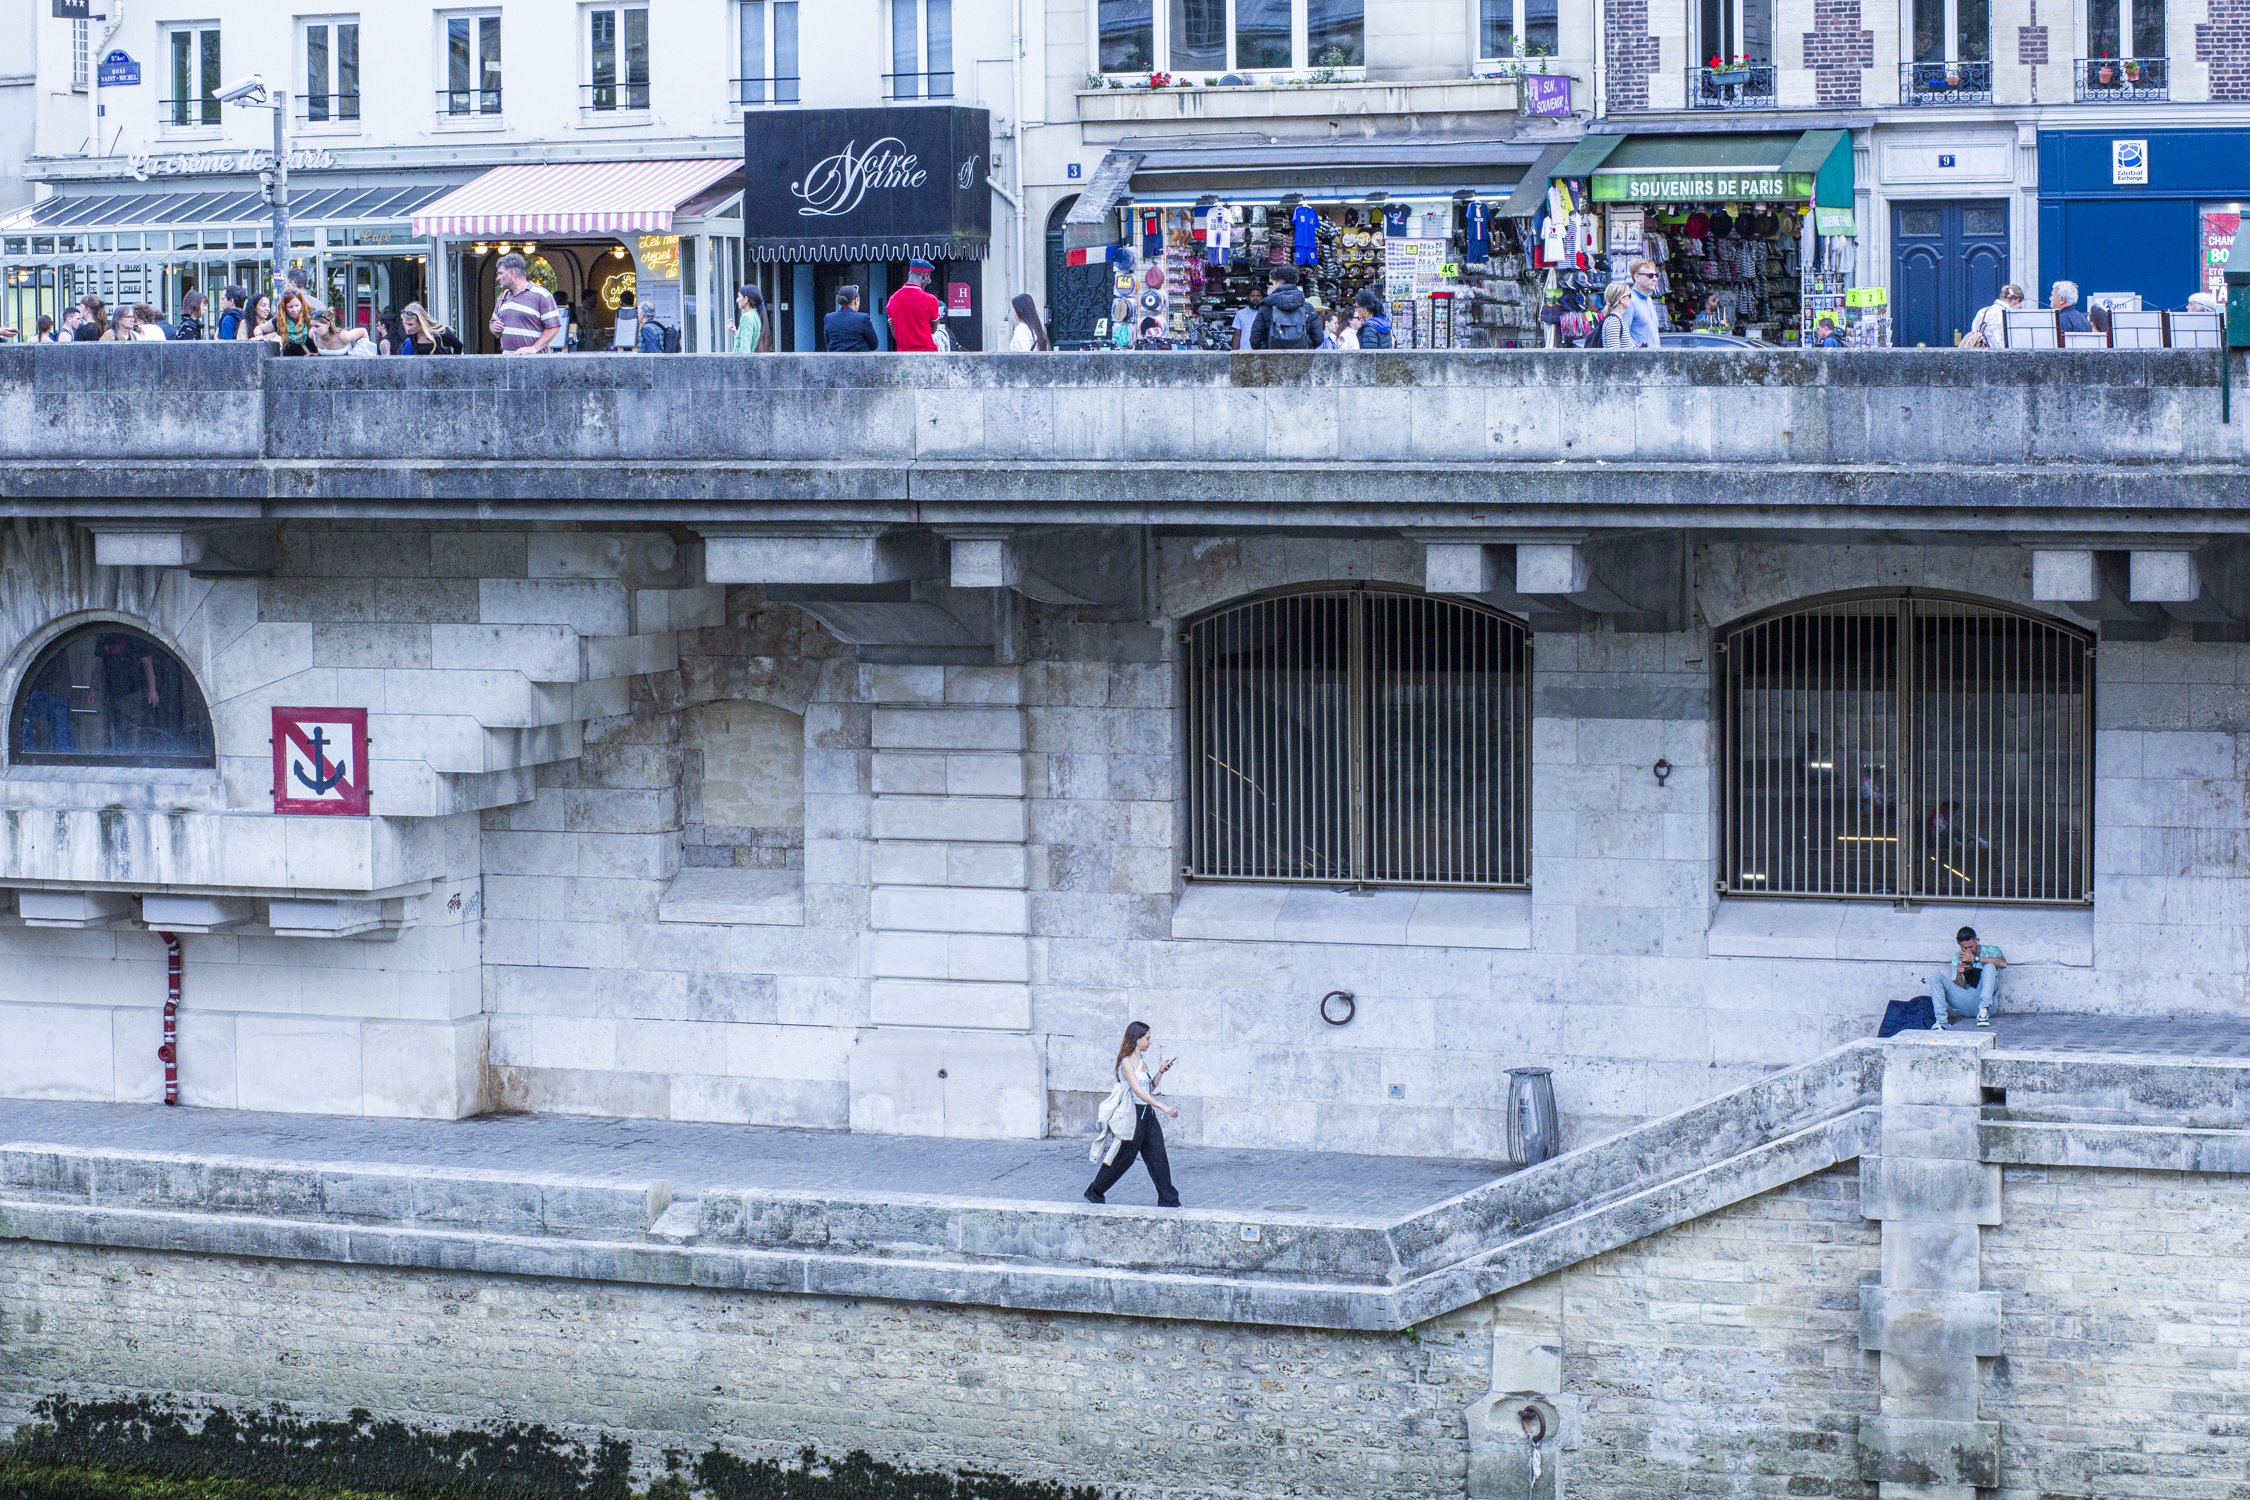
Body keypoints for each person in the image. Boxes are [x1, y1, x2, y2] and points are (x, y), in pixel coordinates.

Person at [1084, 1021, 1181, 1207]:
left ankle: (1170, 1200)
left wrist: (1161, 1072)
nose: (1150, 1042)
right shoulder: (1126, 1063)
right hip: (1134, 1117)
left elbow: (1149, 1087)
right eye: (1147, 1038)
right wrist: (1164, 1107)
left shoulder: (1142, 1062)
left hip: (1148, 1116)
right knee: (1123, 1160)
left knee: (1158, 1157)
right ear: (1137, 1039)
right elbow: (1138, 1092)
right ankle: (1094, 1191)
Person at [1929, 924, 2005, 1030]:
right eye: (1964, 948)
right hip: (1964, 1002)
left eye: (1971, 946)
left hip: (1985, 1003)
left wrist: (1975, 958)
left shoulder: (1991, 950)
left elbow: (2003, 964)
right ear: (1959, 945)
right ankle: (1942, 1022)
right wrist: (1960, 974)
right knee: (1936, 977)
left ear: (1977, 940)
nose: (1968, 950)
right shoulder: (1957, 956)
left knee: (1989, 966)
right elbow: (1959, 987)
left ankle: (1983, 1013)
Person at [490, 252, 562, 355]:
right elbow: (492, 323)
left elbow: (554, 327)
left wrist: (534, 348)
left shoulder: (542, 295)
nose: (498, 278)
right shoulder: (503, 297)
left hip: (535, 364)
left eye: (501, 273)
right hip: (508, 363)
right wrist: (494, 327)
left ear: (511, 273)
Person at [1249, 265, 1316, 350]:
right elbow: (1318, 338)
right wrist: (1304, 347)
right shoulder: (1308, 307)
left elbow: (1255, 340)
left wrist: (1269, 350)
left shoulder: (1265, 307)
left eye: (1273, 283)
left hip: (1272, 359)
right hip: (1301, 358)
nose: (1272, 286)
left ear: (1278, 282)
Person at [885, 258, 944, 352]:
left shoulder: (892, 300)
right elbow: (933, 330)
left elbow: (896, 335)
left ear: (909, 274)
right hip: (927, 354)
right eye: (929, 278)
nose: (929, 281)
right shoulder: (931, 299)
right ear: (925, 276)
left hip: (903, 354)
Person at [1962, 284, 2023, 349]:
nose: (2019, 309)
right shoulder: (2010, 316)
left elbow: (1974, 335)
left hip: (1981, 356)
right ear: (2016, 300)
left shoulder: (1982, 312)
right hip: (2004, 357)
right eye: (2020, 307)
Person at [823, 284, 878, 352]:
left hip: (835, 361)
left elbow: (828, 343)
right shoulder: (863, 318)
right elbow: (874, 344)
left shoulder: (828, 318)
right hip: (859, 361)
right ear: (856, 300)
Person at [1623, 259, 1663, 348]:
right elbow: (1623, 336)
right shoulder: (1629, 301)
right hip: (1638, 359)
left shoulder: (1648, 300)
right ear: (1637, 277)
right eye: (1650, 275)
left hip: (1655, 358)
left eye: (1656, 275)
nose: (1655, 279)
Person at [397, 302, 463, 355]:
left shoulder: (441, 331)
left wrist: (453, 364)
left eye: (411, 324)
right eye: (405, 324)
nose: (408, 328)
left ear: (421, 321)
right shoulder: (412, 335)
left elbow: (459, 346)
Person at [267, 291, 319, 355]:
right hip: (288, 363)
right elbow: (259, 328)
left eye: (297, 305)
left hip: (311, 362)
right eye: (290, 307)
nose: (294, 310)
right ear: (284, 308)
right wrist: (259, 335)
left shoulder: (312, 317)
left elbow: (326, 337)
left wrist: (318, 354)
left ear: (302, 304)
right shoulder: (279, 321)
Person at [728, 285, 766, 354]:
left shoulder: (746, 317)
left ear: (746, 299)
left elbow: (745, 350)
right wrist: (735, 332)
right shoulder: (755, 315)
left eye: (739, 296)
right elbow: (749, 339)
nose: (737, 300)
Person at [1595, 281, 1633, 348]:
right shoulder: (1614, 321)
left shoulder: (1616, 319)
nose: (1630, 298)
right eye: (1629, 296)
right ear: (1621, 299)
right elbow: (1614, 354)